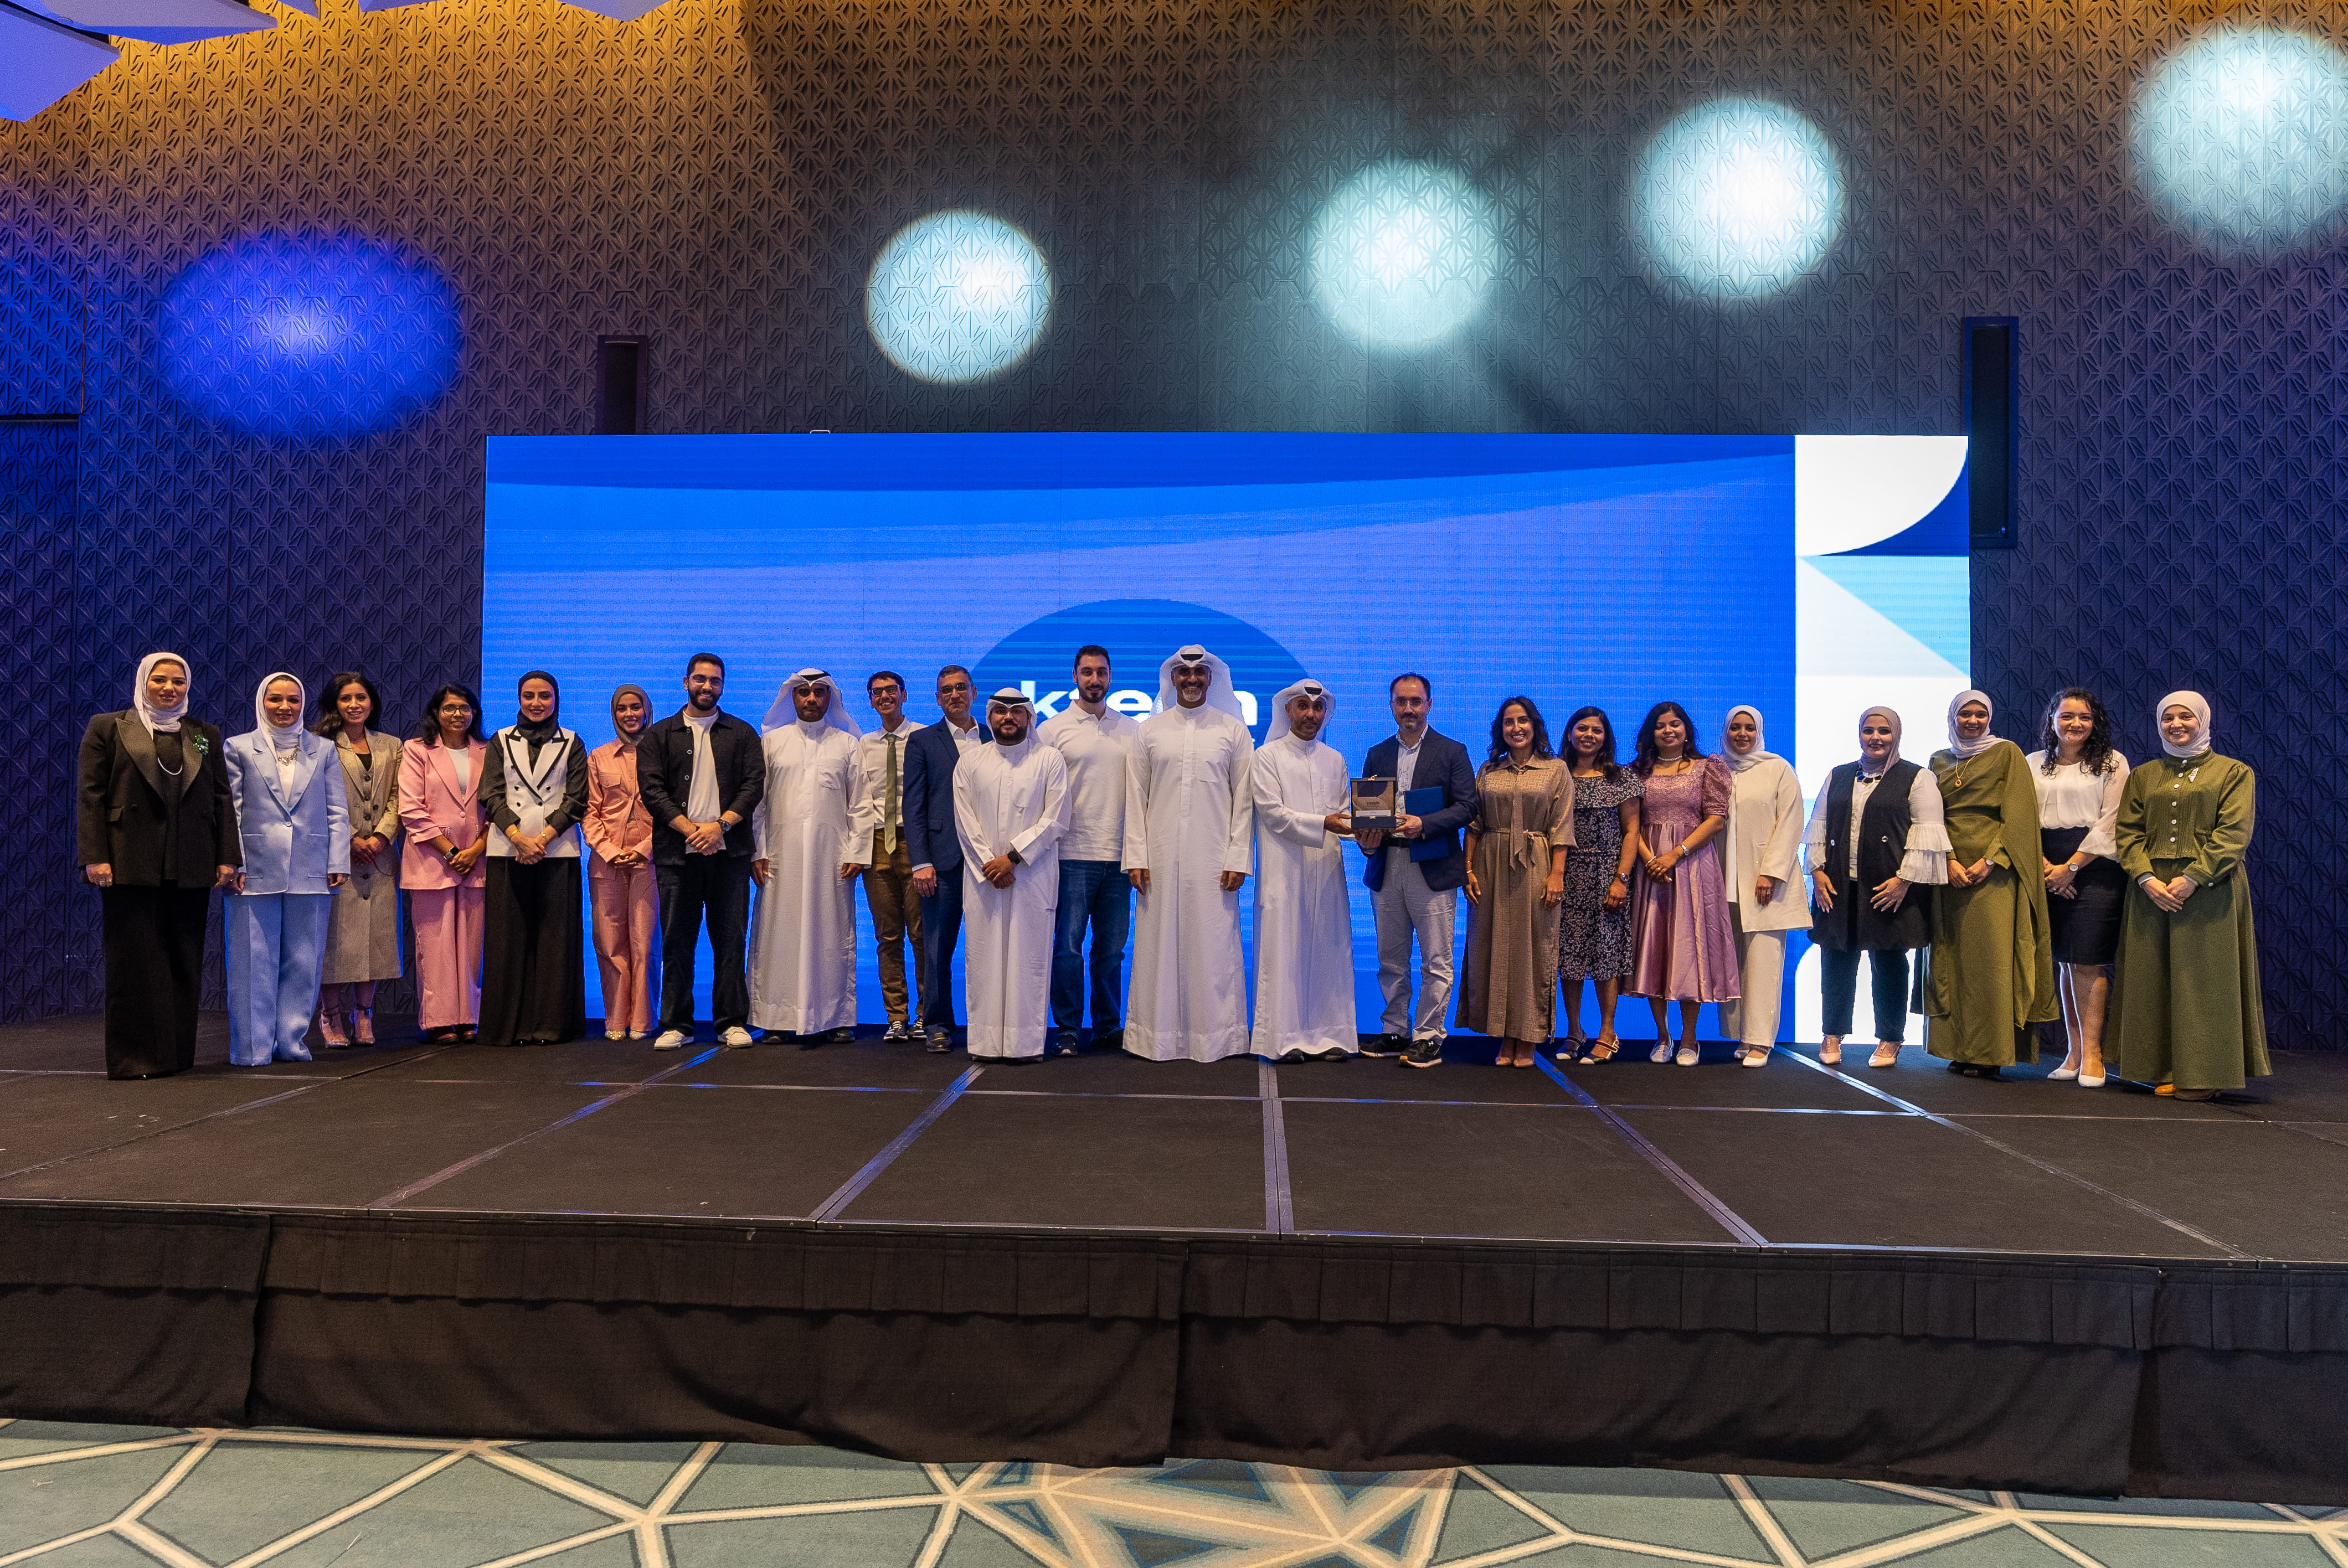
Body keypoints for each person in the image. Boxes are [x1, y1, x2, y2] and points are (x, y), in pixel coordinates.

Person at [77, 652, 240, 1079]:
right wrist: (95, 856)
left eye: (178, 681)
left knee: (184, 960)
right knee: (134, 961)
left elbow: (222, 798)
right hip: (128, 859)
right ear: (143, 682)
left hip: (190, 861)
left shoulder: (203, 734)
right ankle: (134, 1060)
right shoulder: (109, 727)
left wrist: (227, 857)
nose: (169, 688)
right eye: (160, 680)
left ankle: (176, 1056)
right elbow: (91, 796)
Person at [2111, 692, 2267, 1101]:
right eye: (2168, 718)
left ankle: (2204, 1074)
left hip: (2210, 889)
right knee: (2153, 979)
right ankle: (2162, 1068)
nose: (2176, 725)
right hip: (2152, 890)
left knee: (2205, 981)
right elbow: (2127, 832)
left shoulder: (2234, 773)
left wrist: (2194, 877)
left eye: (2186, 717)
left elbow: (2234, 833)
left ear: (2203, 720)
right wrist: (2146, 877)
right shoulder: (2144, 775)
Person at [1122, 645, 1255, 1062]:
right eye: (1184, 673)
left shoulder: (1233, 731)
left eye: (1199, 673)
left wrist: (1238, 858)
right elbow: (1135, 797)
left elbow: (1245, 802)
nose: (1192, 679)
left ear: (1211, 679)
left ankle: (1217, 1038)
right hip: (1158, 858)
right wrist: (1136, 856)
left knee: (1212, 946)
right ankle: (1155, 1038)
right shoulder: (1149, 731)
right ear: (1173, 679)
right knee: (1157, 947)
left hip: (1214, 858)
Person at [1804, 706, 1948, 1069]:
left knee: (1889, 962)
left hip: (1889, 887)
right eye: (1869, 730)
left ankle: (1890, 1037)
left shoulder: (1918, 777)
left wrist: (1904, 880)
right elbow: (1818, 824)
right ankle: (1832, 1032)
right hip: (1838, 886)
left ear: (1896, 734)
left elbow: (1927, 833)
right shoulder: (1838, 775)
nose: (1876, 738)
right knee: (1835, 959)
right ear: (1859, 734)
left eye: (1884, 731)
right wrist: (1817, 872)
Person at [1924, 690, 2057, 1079]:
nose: (1973, 720)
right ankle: (1959, 1048)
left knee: (1993, 961)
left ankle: (1991, 1051)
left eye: (1980, 714)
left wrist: (1990, 860)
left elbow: (2019, 815)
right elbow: (1931, 817)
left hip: (1997, 870)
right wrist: (1948, 860)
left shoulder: (2007, 753)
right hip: (1948, 871)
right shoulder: (1939, 760)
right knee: (1953, 961)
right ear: (1953, 717)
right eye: (1965, 714)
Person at [635, 654, 765, 1050]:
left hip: (730, 855)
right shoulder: (660, 735)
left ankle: (731, 1022)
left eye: (715, 681)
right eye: (700, 679)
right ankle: (677, 1024)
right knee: (677, 941)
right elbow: (652, 791)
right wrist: (691, 830)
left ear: (722, 686)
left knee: (731, 941)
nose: (707, 687)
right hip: (678, 856)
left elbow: (753, 786)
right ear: (686, 682)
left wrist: (719, 827)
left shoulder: (741, 733)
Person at [223, 673, 351, 1066]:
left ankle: (292, 1041)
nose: (284, 707)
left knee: (304, 961)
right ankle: (252, 1048)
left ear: (303, 704)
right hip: (253, 868)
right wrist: (236, 861)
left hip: (311, 866)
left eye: (293, 700)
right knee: (252, 962)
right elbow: (231, 812)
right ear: (261, 702)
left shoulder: (323, 749)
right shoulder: (238, 747)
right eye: (275, 699)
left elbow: (337, 810)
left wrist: (338, 860)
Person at [1353, 673, 1478, 1069]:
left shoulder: (1452, 751)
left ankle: (1428, 1035)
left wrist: (1425, 824)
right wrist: (1365, 839)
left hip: (1433, 864)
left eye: (1416, 701)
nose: (1409, 709)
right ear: (1391, 705)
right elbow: (1367, 811)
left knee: (1436, 959)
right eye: (1401, 701)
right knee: (1390, 957)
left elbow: (1468, 807)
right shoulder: (1377, 754)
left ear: (1429, 705)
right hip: (1387, 863)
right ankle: (1395, 1030)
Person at [750, 668, 868, 1044]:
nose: (812, 699)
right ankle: (775, 1018)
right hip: (779, 859)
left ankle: (835, 1017)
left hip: (832, 861)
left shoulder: (847, 744)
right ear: (792, 697)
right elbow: (758, 805)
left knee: (831, 935)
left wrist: (857, 851)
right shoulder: (772, 742)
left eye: (819, 692)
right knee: (777, 935)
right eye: (804, 692)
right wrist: (758, 851)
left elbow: (861, 804)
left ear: (830, 697)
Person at [954, 688, 1072, 1061]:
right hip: (984, 879)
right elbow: (964, 821)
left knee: (1028, 960)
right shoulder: (971, 762)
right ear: (989, 718)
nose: (1009, 717)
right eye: (1001, 712)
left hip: (1032, 878)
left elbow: (1056, 818)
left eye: (1017, 711)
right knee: (984, 960)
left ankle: (1025, 1045)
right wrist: (991, 864)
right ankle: (986, 1044)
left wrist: (1013, 859)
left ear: (1029, 718)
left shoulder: (1049, 759)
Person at [1456, 697, 1573, 1068]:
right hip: (1491, 864)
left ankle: (1529, 1036)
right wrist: (1468, 869)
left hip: (1537, 863)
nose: (1516, 728)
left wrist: (1557, 874)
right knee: (1492, 946)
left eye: (1523, 721)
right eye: (1509, 722)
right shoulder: (1489, 770)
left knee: (1533, 948)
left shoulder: (1556, 769)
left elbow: (1562, 827)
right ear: (1501, 729)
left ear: (1535, 726)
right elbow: (1474, 825)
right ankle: (1504, 1034)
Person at [1248, 679, 1358, 1062]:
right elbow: (1273, 814)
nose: (1311, 715)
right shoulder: (1266, 756)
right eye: (1303, 707)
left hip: (1327, 872)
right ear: (1288, 711)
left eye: (1318, 708)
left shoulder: (1335, 759)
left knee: (1330, 950)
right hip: (1284, 871)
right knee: (1284, 953)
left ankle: (1331, 1035)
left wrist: (1368, 830)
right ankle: (1282, 1039)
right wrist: (1325, 823)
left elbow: (1344, 814)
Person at [478, 670, 589, 1047]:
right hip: (508, 849)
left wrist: (540, 840)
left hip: (556, 851)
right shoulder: (500, 740)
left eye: (544, 696)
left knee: (555, 940)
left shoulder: (572, 741)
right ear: (519, 699)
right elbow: (491, 794)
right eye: (529, 696)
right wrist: (519, 839)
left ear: (556, 700)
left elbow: (576, 799)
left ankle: (551, 1025)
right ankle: (510, 1028)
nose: (537, 703)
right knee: (507, 941)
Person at [1037, 645, 1139, 1055]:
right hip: (1071, 855)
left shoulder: (1132, 730)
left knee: (1111, 950)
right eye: (1087, 672)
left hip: (1120, 857)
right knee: (1068, 948)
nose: (1095, 680)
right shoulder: (1051, 730)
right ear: (1075, 676)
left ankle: (1108, 1025)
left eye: (1101, 672)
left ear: (1111, 677)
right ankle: (1067, 1027)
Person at [2027, 688, 2129, 1087]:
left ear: (2095, 721)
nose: (2075, 724)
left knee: (2088, 961)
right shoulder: (2032, 763)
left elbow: (2112, 821)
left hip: (2095, 868)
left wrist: (2070, 869)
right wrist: (2048, 870)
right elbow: (2021, 820)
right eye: (2067, 716)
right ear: (2052, 720)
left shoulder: (2113, 762)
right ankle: (2074, 1051)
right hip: (2046, 868)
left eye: (2085, 717)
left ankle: (2094, 1055)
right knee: (2066, 962)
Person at [1627, 701, 1738, 1065]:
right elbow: (1630, 824)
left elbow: (1716, 819)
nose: (1668, 730)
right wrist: (1650, 860)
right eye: (1661, 725)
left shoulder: (1708, 767)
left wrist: (1675, 855)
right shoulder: (1635, 772)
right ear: (1651, 732)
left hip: (1692, 867)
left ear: (1687, 729)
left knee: (1691, 949)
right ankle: (1663, 1035)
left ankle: (1690, 1038)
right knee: (1655, 948)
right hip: (1650, 870)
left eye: (1675, 724)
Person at [314, 672, 401, 1049]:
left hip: (381, 859)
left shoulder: (391, 745)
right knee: (336, 941)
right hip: (337, 857)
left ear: (372, 702)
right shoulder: (318, 744)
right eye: (346, 698)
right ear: (334, 703)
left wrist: (381, 837)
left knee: (375, 941)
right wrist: (350, 837)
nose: (354, 705)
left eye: (361, 698)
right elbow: (315, 796)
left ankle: (364, 1014)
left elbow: (399, 796)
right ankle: (330, 1014)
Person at [1715, 706, 1805, 1068]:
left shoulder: (1778, 768)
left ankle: (1761, 1040)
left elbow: (1791, 822)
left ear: (1759, 732)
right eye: (1735, 727)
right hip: (1724, 881)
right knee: (1732, 961)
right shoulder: (1717, 770)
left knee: (1764, 961)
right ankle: (1741, 1034)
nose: (1742, 734)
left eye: (1749, 728)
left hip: (1765, 883)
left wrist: (1771, 873)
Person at [905, 666, 988, 1051]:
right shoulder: (922, 741)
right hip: (943, 860)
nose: (955, 695)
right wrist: (920, 861)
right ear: (938, 699)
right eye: (947, 690)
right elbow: (913, 806)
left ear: (974, 692)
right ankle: (938, 1024)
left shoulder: (994, 735)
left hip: (989, 861)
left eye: (961, 688)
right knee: (938, 948)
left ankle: (989, 1021)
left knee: (990, 946)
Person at [400, 684, 489, 1043]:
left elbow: (497, 808)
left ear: (474, 713)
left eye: (464, 708)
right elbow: (411, 809)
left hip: (477, 861)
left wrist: (475, 850)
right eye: (449, 708)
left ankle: (468, 1018)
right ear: (436, 713)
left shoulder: (488, 751)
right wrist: (451, 852)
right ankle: (439, 1020)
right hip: (431, 861)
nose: (457, 714)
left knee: (471, 947)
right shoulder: (416, 750)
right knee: (435, 947)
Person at [1555, 707, 1642, 1062]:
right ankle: (1575, 1030)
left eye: (1597, 730)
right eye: (1582, 728)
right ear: (1570, 733)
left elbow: (1632, 831)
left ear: (1606, 737)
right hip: (1566, 873)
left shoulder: (1621, 777)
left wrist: (1621, 879)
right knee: (1569, 956)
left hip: (1608, 873)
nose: (1589, 735)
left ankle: (1608, 1031)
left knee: (1607, 955)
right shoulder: (1557, 774)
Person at [852, 670, 925, 1041]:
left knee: (922, 934)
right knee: (888, 936)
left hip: (916, 843)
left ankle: (927, 1014)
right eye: (877, 692)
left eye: (891, 690)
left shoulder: (925, 737)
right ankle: (896, 1016)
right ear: (870, 701)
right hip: (877, 843)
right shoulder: (863, 744)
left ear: (904, 695)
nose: (885, 697)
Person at [585, 683, 660, 1041]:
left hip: (649, 860)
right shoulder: (598, 757)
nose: (629, 714)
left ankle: (644, 1019)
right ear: (614, 714)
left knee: (646, 942)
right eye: (622, 708)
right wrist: (609, 850)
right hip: (607, 861)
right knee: (609, 941)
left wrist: (644, 848)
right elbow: (589, 812)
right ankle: (616, 1018)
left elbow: (670, 810)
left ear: (647, 710)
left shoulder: (662, 754)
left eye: (635, 707)